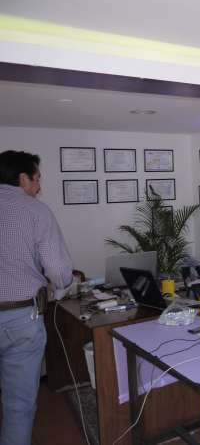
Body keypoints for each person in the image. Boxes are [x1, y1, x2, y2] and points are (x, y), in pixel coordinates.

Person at [0, 150, 73, 445]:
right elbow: (59, 270)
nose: (39, 186)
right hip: (20, 319)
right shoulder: (35, 210)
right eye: (37, 178)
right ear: (23, 178)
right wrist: (59, 290)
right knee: (18, 405)